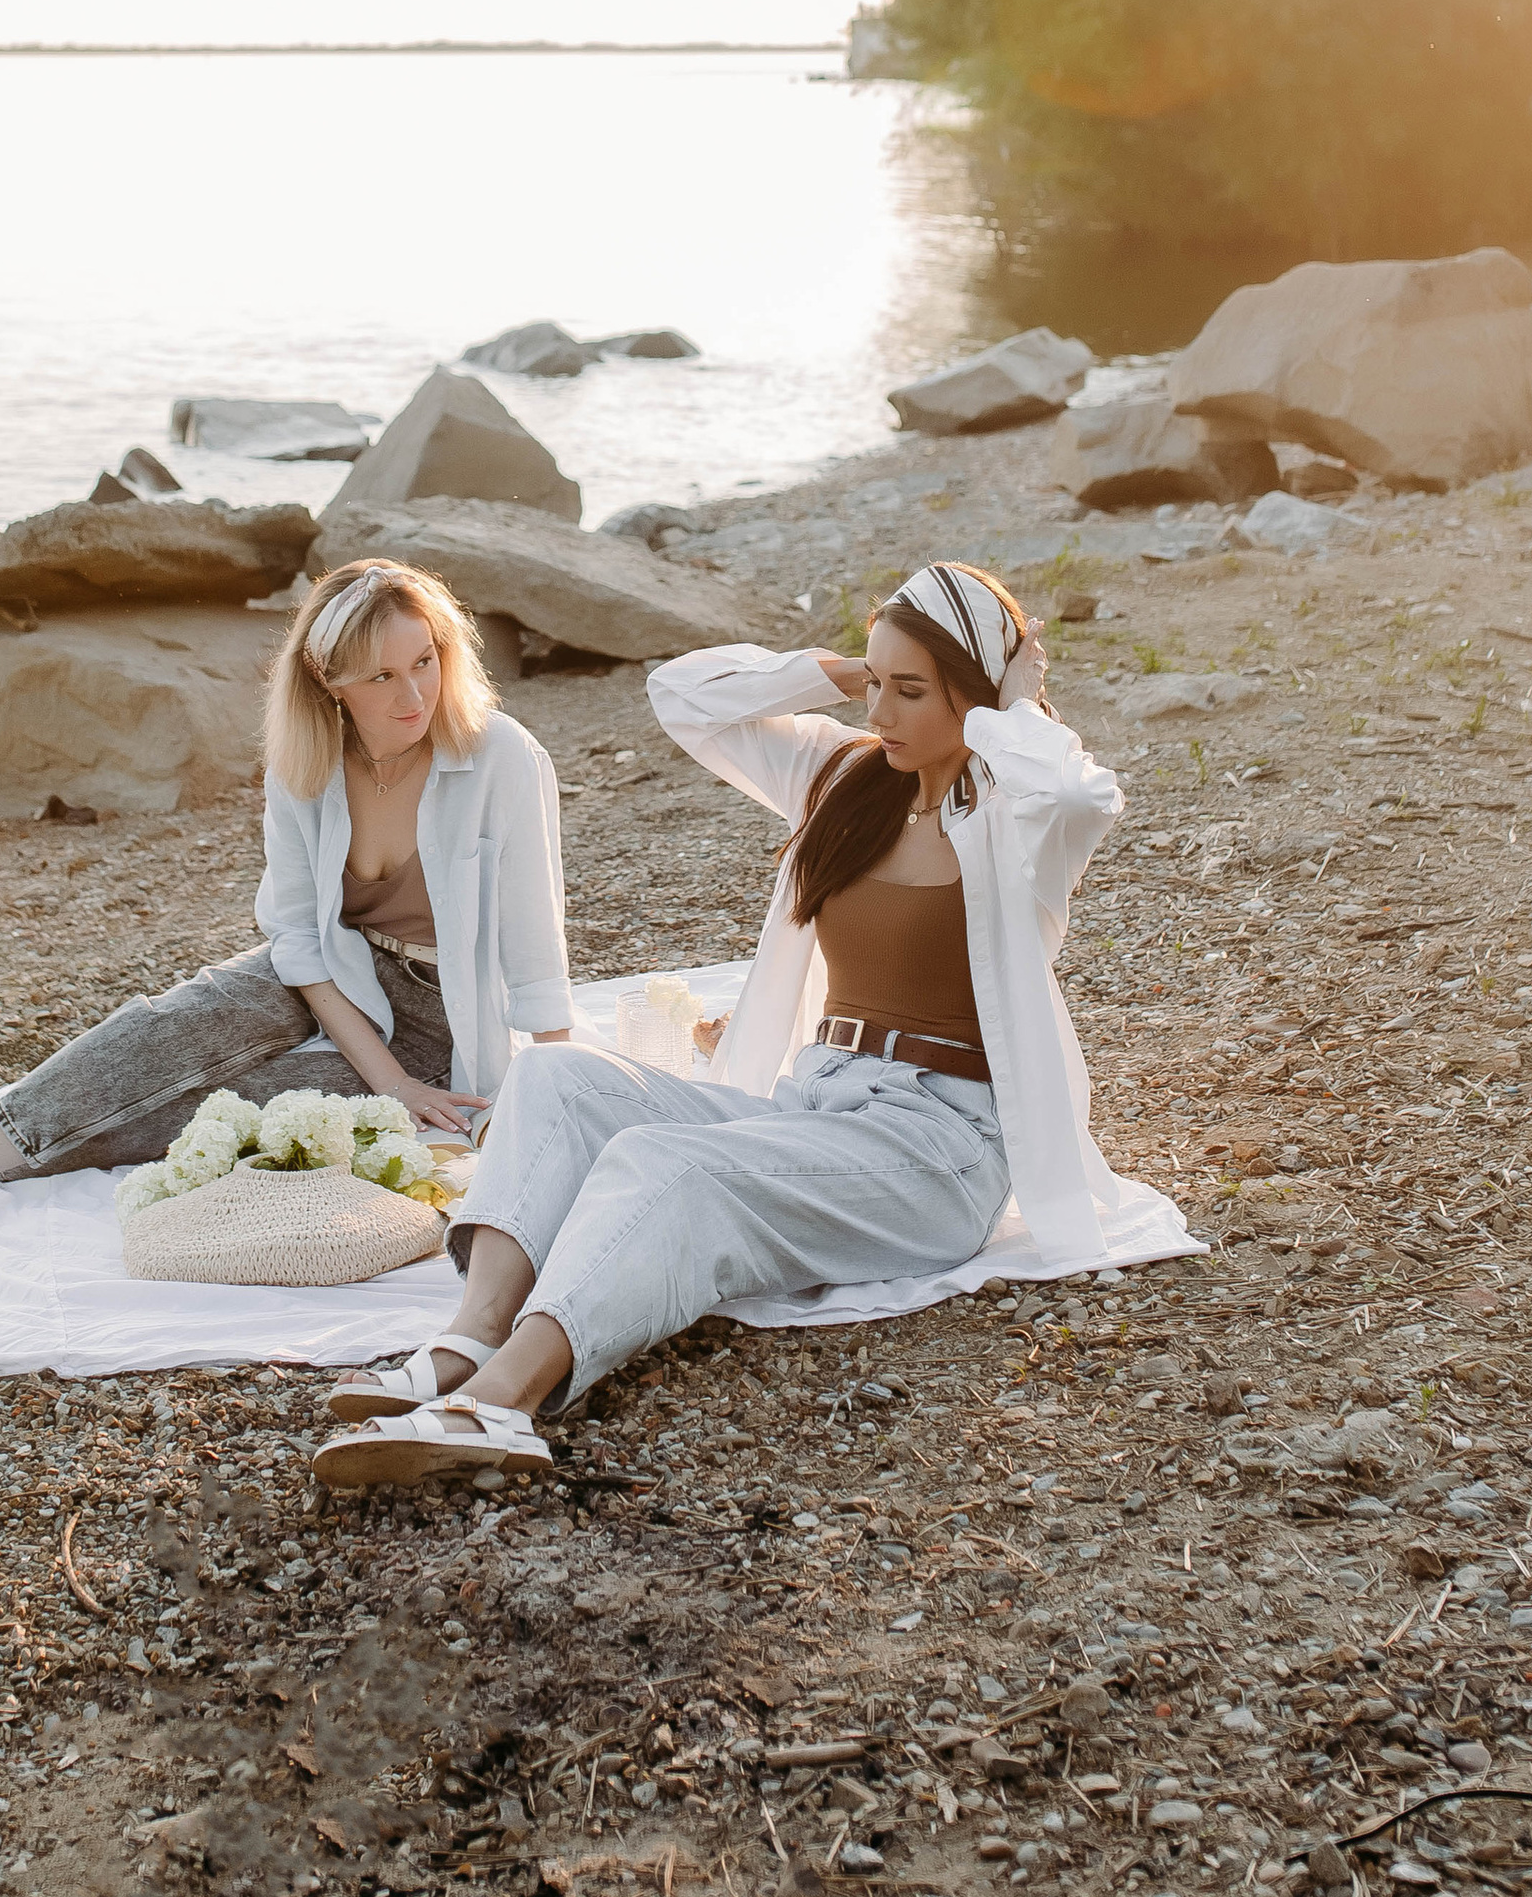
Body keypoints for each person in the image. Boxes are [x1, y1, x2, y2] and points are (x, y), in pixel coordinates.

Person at [313, 559, 1134, 1487]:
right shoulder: (844, 780)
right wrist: (832, 673)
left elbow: (1081, 795)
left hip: (940, 1146)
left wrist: (1009, 703)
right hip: (814, 1106)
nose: (882, 714)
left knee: (667, 1165)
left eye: (910, 692)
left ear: (978, 697)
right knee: (552, 1075)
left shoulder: (1018, 817)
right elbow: (684, 697)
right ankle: (467, 1338)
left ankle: (501, 1404)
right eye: (876, 684)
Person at [0, 555, 575, 1243]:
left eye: (425, 660)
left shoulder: (499, 753)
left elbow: (537, 947)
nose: (413, 693)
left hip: (443, 1014)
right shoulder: (306, 764)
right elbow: (301, 941)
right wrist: (386, 1077)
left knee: (227, 1107)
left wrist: (551, 1098)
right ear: (328, 681)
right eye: (380, 675)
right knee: (158, 1034)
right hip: (332, 973)